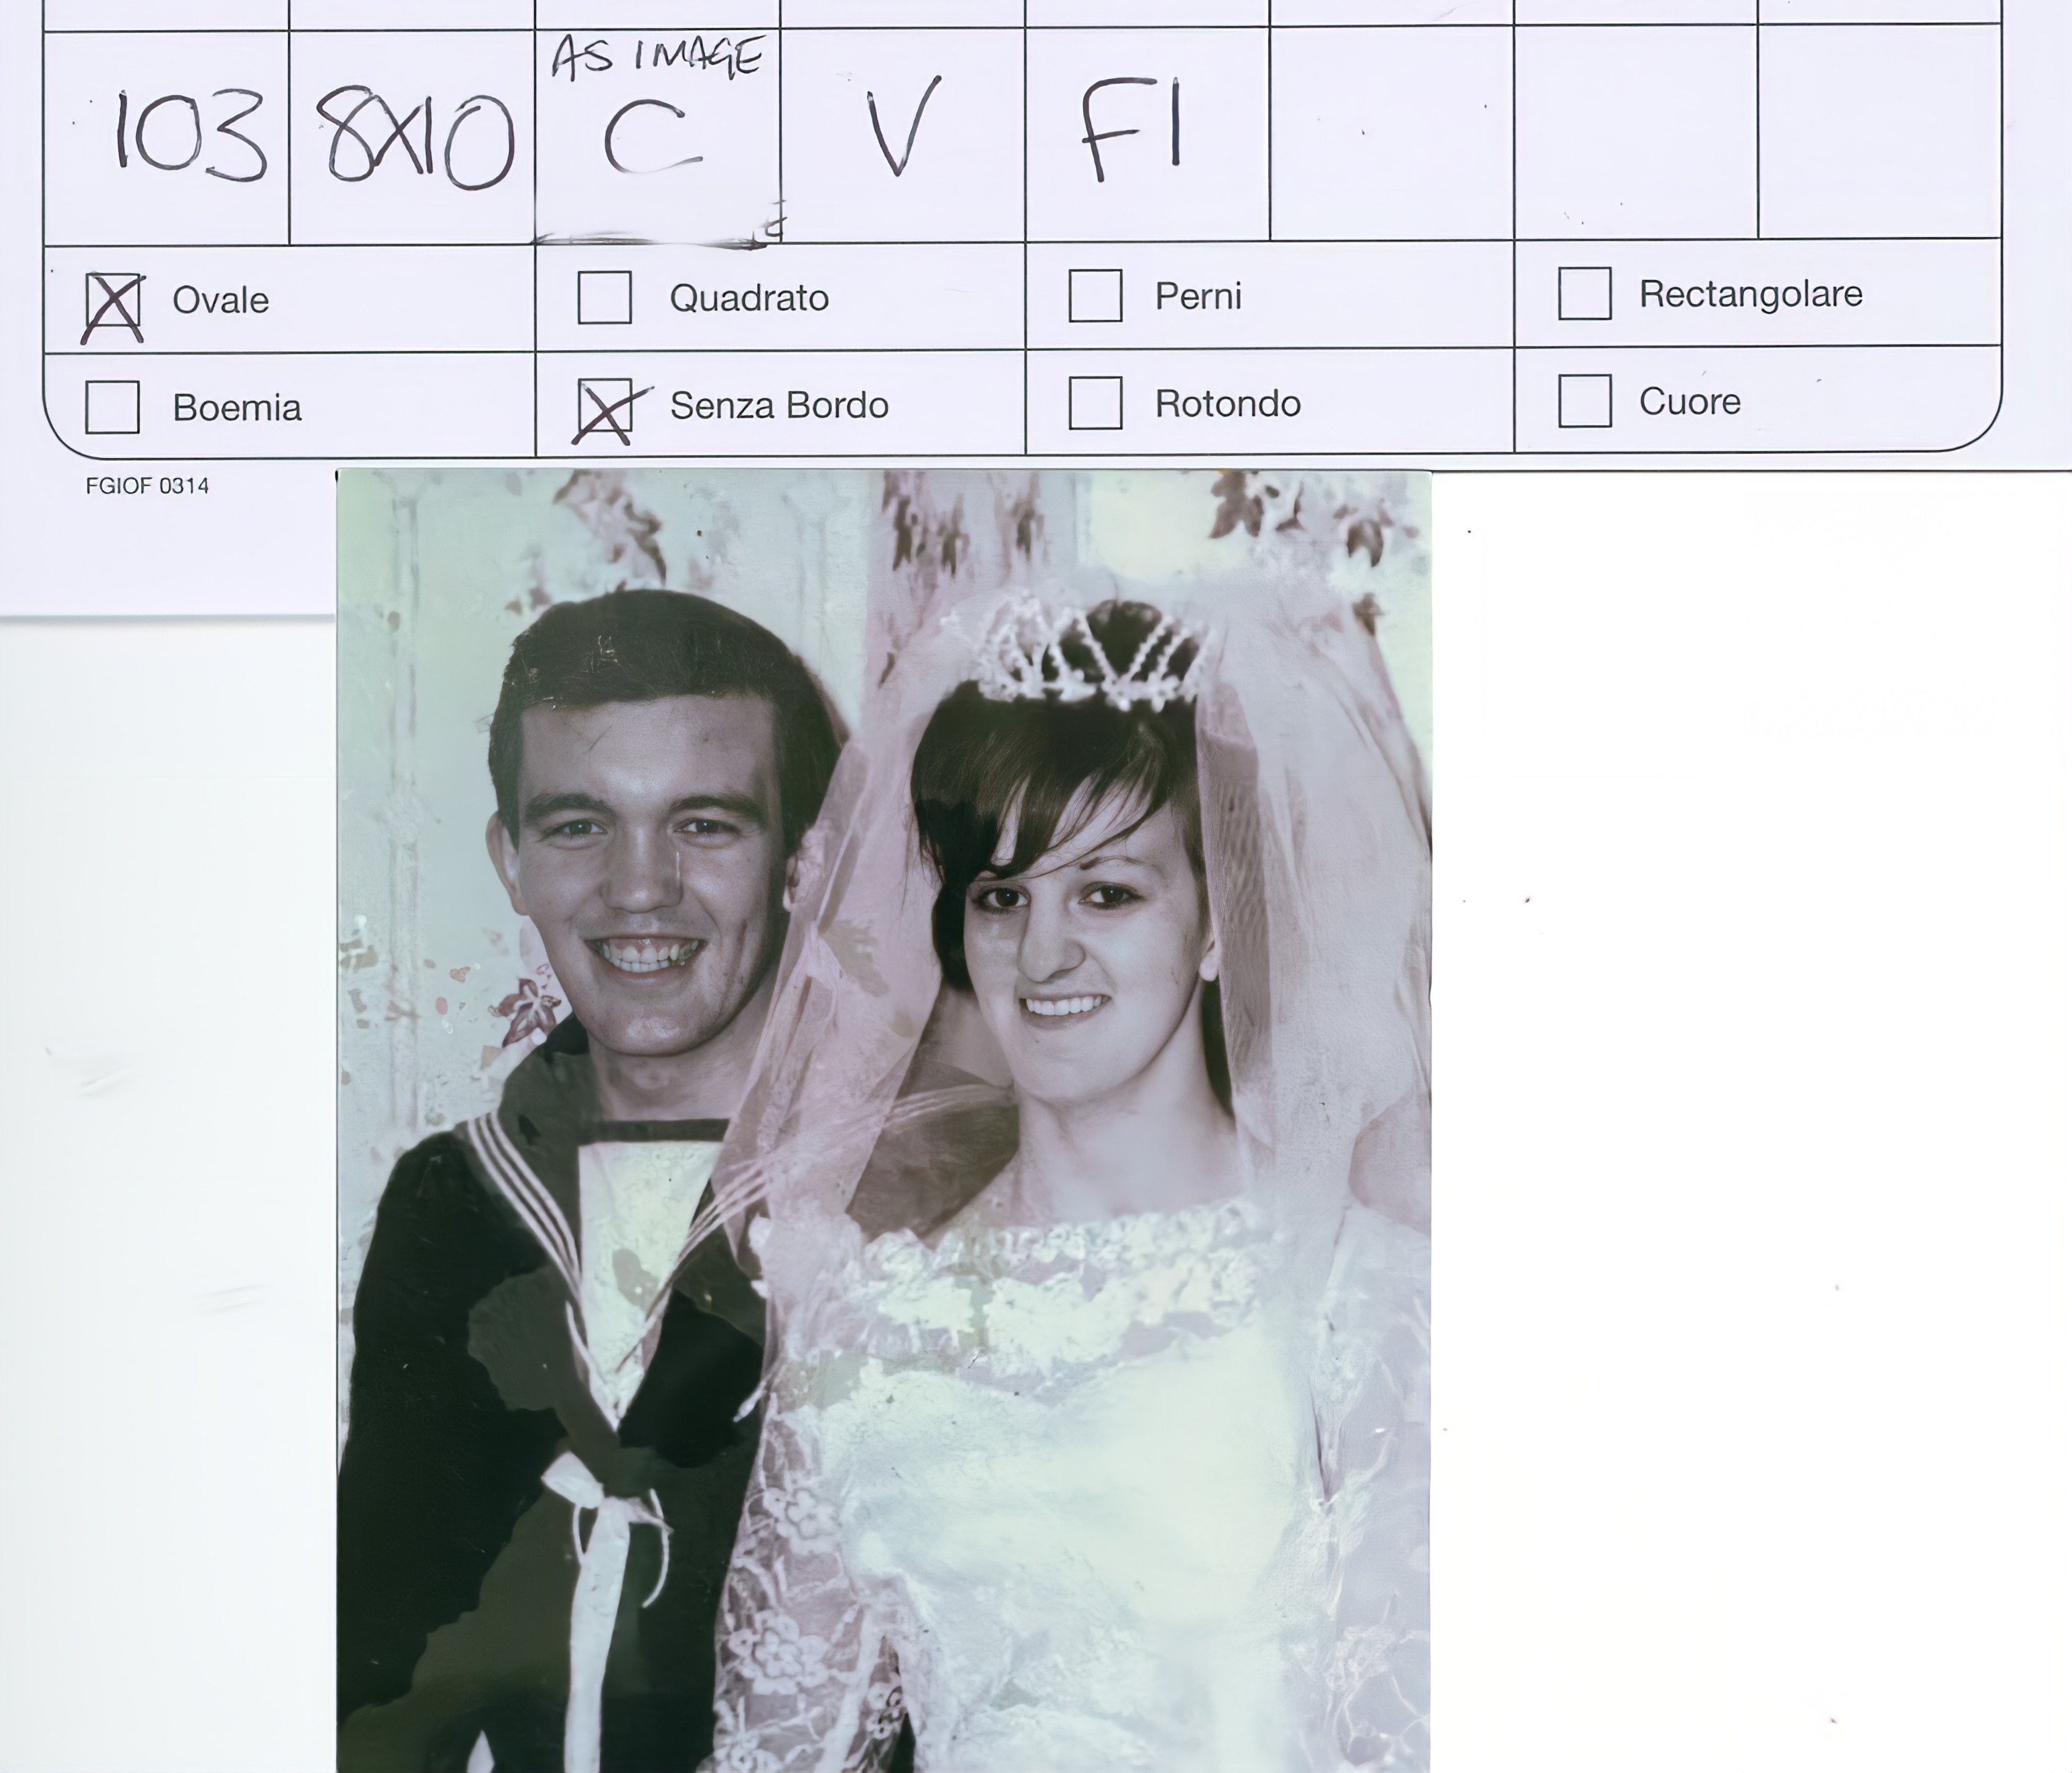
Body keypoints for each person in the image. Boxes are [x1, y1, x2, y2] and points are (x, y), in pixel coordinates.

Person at [704, 586, 1432, 1772]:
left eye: (1107, 892)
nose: (1043, 954)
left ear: (1215, 923)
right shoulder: (860, 1325)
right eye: (1001, 896)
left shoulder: (1359, 1298)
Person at [338, 587, 844, 1773]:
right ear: (509, 860)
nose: (638, 887)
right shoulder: (453, 1200)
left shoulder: (909, 1184)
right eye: (578, 826)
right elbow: (382, 1682)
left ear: (803, 858)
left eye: (704, 824)